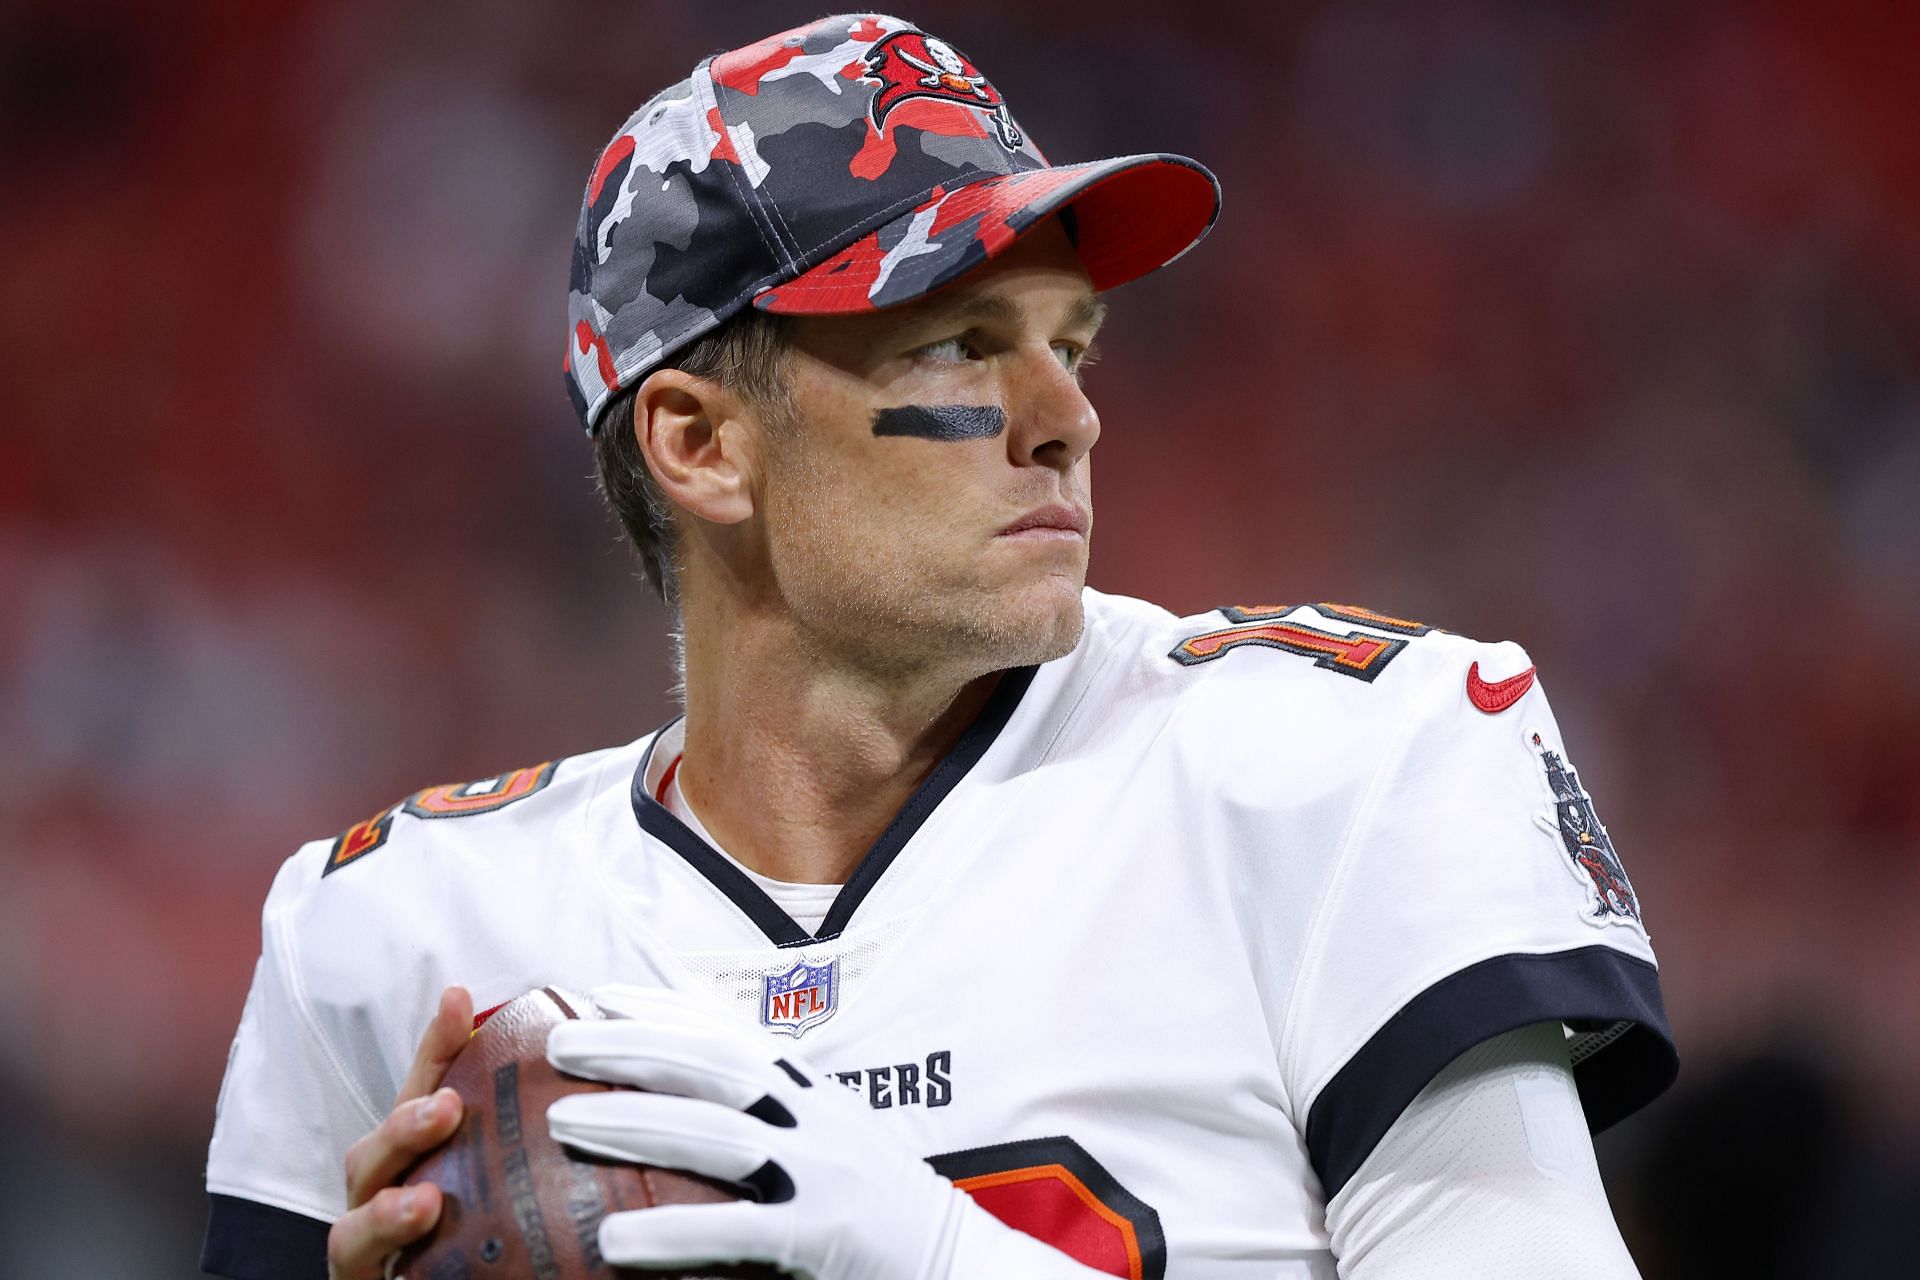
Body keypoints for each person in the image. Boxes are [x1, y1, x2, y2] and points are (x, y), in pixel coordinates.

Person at [201, 13, 1675, 1280]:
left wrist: (944, 1254)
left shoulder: (1338, 766)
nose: (1067, 415)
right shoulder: (390, 942)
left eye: (1072, 341)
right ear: (700, 443)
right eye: (960, 344)